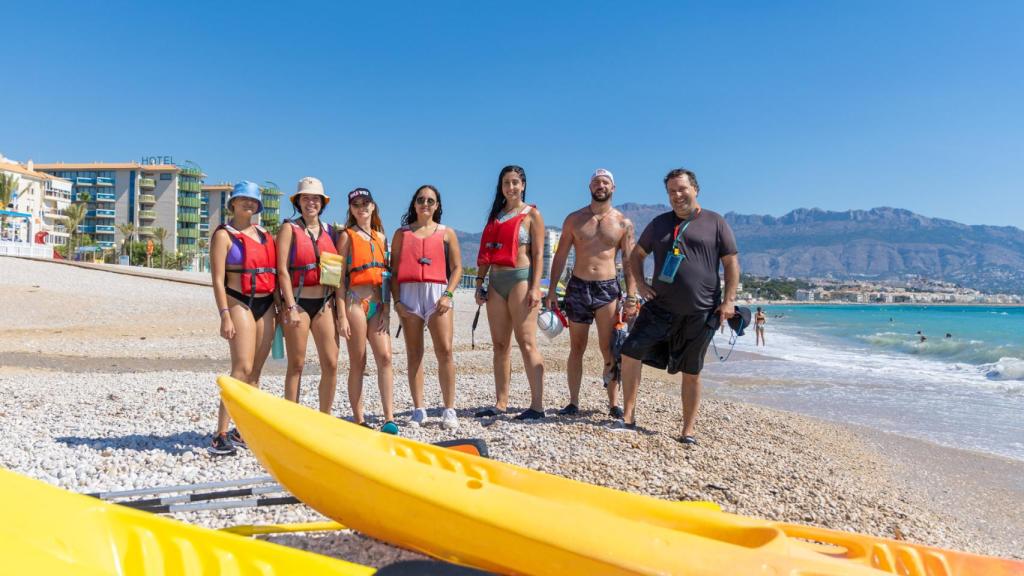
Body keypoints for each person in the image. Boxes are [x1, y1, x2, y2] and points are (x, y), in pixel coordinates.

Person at [619, 168, 739, 445]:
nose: (677, 195)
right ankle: (627, 417)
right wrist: (640, 284)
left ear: (695, 189)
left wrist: (728, 301)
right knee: (630, 351)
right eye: (671, 191)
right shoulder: (659, 224)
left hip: (701, 310)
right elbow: (636, 256)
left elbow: (731, 264)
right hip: (660, 307)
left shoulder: (716, 222)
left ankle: (688, 431)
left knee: (692, 371)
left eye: (682, 189)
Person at [544, 168, 637, 419]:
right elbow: (561, 255)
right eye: (596, 182)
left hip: (607, 288)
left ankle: (613, 403)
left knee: (608, 347)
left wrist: (631, 296)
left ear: (613, 188)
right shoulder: (574, 219)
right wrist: (552, 290)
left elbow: (629, 262)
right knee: (577, 346)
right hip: (578, 286)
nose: (601, 185)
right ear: (590, 187)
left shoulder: (622, 223)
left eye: (605, 182)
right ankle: (573, 401)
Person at [208, 181, 279, 455]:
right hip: (239, 303)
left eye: (253, 201)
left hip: (266, 305)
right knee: (241, 368)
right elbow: (216, 279)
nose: (249, 205)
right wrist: (224, 314)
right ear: (233, 203)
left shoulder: (264, 234)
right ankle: (220, 433)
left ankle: (243, 429)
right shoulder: (223, 236)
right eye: (243, 200)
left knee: (256, 372)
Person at [473, 165, 547, 420]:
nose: (511, 187)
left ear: (523, 185)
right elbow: (486, 253)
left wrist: (536, 288)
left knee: (526, 342)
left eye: (515, 182)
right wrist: (479, 282)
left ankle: (537, 406)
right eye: (506, 183)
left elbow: (538, 254)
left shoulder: (532, 215)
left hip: (521, 279)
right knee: (500, 345)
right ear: (501, 187)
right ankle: (501, 402)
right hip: (495, 281)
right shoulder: (495, 216)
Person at [391, 185, 464, 430]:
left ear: (437, 206)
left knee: (444, 351)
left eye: (430, 201)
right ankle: (419, 409)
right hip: (410, 294)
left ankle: (449, 409)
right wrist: (397, 301)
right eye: (421, 199)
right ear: (414, 204)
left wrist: (448, 295)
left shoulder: (447, 233)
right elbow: (393, 271)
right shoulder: (401, 234)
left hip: (437, 293)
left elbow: (457, 269)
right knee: (414, 353)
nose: (425, 204)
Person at [276, 177, 341, 414]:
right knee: (297, 364)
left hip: (325, 303)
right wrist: (290, 306)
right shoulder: (289, 229)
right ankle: (292, 418)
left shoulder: (332, 232)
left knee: (332, 363)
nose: (311, 202)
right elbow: (282, 269)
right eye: (306, 198)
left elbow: (337, 276)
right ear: (298, 202)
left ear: (322, 203)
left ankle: (325, 416)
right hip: (298, 303)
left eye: (315, 198)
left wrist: (341, 314)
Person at [337, 188, 398, 434]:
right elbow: (338, 279)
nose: (362, 207)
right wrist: (341, 314)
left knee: (385, 357)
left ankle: (389, 418)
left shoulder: (382, 238)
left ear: (373, 207)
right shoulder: (346, 237)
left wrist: (386, 310)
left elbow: (387, 277)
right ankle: (359, 419)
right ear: (351, 209)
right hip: (355, 302)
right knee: (358, 361)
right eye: (356, 204)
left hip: (378, 304)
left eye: (366, 203)